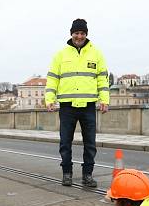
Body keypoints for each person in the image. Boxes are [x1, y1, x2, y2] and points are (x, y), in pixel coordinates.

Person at [45, 18, 110, 187]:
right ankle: (67, 173)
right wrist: (49, 99)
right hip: (67, 105)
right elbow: (52, 79)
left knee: (90, 144)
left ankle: (87, 175)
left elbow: (102, 79)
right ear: (71, 34)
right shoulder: (61, 55)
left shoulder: (96, 54)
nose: (79, 36)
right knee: (65, 142)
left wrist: (105, 100)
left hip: (88, 105)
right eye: (76, 33)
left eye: (82, 33)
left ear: (86, 34)